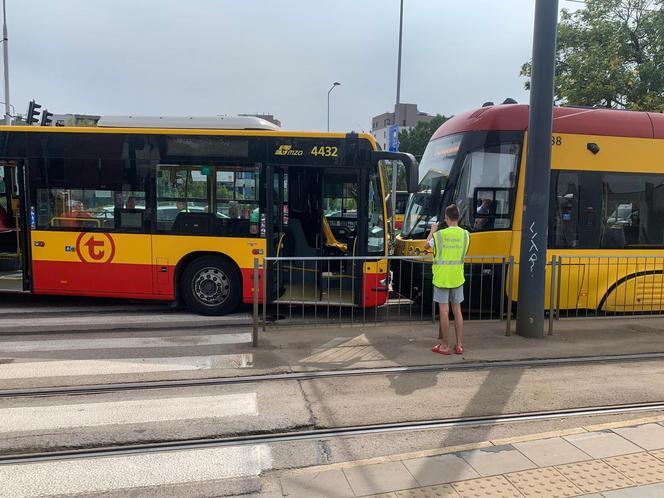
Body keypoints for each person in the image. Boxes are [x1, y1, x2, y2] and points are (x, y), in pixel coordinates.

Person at [427, 204, 470, 355]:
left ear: (446, 218)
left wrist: (432, 230)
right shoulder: (465, 234)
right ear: (457, 217)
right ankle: (459, 345)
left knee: (444, 311)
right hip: (457, 276)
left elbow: (426, 246)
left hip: (442, 278)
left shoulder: (439, 235)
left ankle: (445, 346)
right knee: (457, 311)